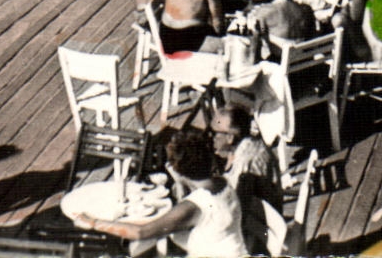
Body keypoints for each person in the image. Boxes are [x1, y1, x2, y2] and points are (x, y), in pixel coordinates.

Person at [73, 128, 247, 257]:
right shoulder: (223, 182)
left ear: (178, 169)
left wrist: (93, 222)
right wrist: (180, 181)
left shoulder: (193, 206)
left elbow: (140, 233)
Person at [211, 103, 279, 255]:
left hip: (261, 233)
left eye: (214, 133)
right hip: (259, 216)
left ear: (229, 137)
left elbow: (236, 212)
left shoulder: (245, 162)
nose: (212, 138)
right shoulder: (248, 145)